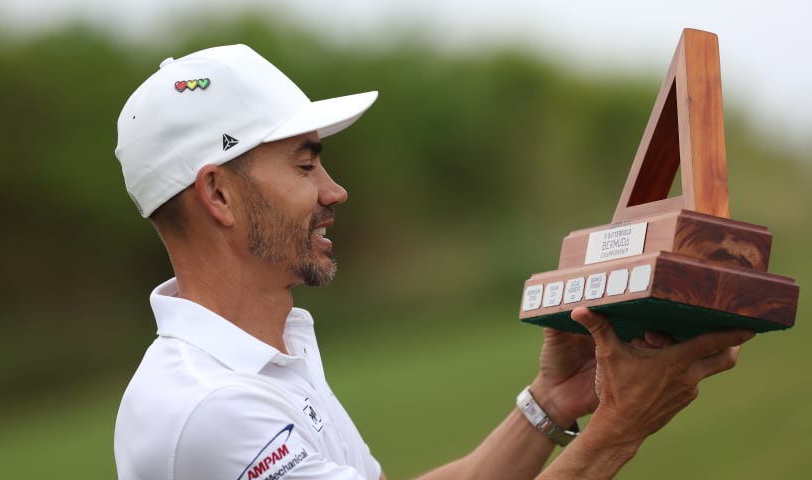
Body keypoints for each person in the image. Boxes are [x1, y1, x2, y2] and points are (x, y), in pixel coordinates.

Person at [113, 44, 754, 480]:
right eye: (306, 164)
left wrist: (551, 404)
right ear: (218, 194)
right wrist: (619, 429)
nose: (334, 190)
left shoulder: (266, 357)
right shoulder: (212, 407)